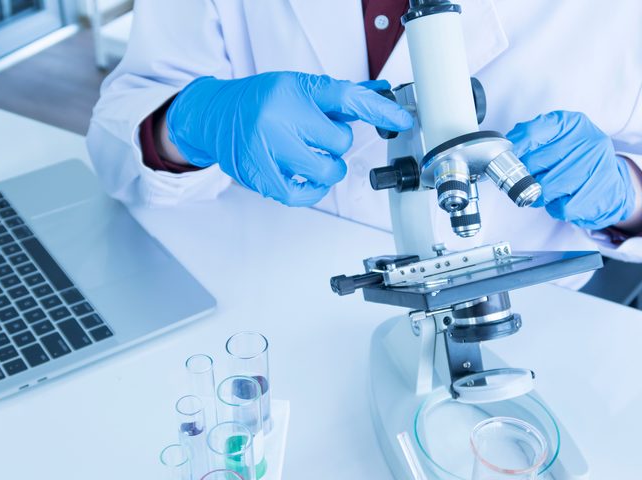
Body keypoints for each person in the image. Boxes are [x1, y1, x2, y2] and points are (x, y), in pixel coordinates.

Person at [87, 0, 642, 289]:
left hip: (524, 330)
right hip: (251, 295)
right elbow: (117, 144)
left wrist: (626, 194)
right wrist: (188, 123)